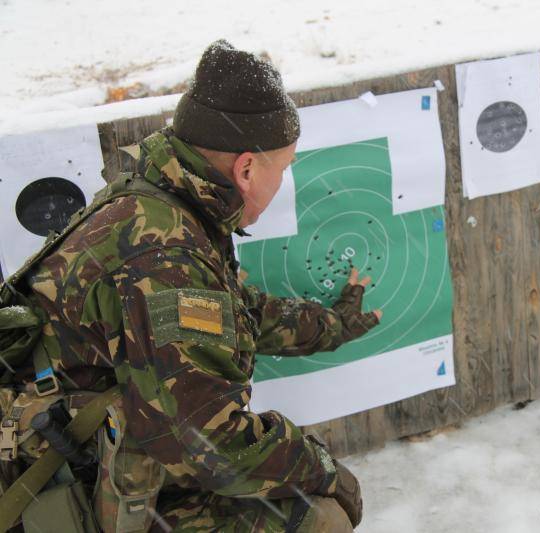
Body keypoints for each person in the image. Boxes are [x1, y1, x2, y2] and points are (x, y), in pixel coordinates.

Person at [21, 39, 382, 532]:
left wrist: (334, 324)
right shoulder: (165, 259)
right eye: (284, 167)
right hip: (59, 484)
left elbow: (237, 315)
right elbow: (209, 446)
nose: (283, 181)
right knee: (319, 518)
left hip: (92, 449)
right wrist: (324, 470)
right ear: (247, 169)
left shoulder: (162, 207)